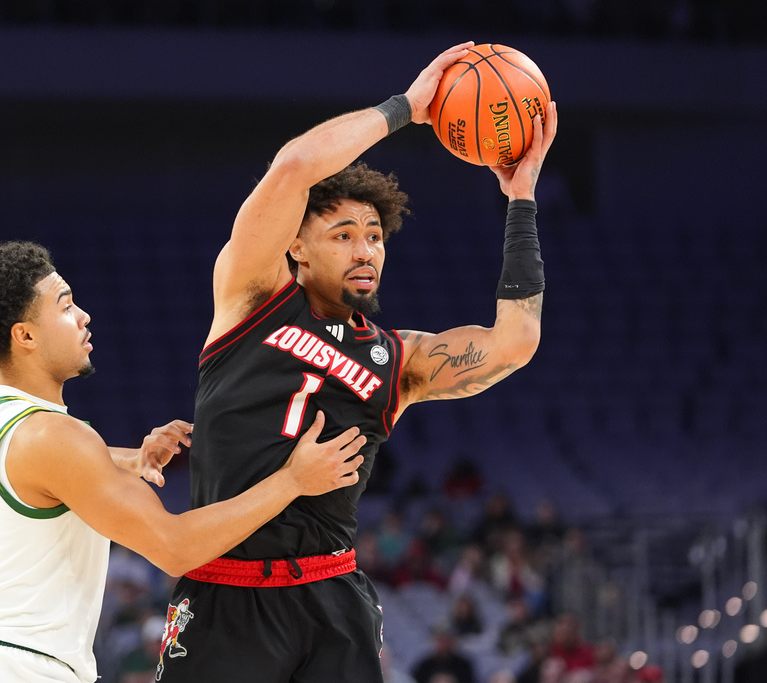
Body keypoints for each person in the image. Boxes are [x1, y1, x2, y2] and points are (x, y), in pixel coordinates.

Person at [162, 41, 557, 683]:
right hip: (226, 589)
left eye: (373, 236)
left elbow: (515, 341)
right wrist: (409, 108)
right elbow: (292, 169)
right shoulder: (252, 298)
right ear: (297, 247)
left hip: (331, 596)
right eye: (342, 235)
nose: (364, 249)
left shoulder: (398, 357)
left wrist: (520, 200)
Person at [0, 241, 367, 683]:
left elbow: (34, 472)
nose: (84, 316)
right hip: (19, 668)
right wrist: (292, 480)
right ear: (24, 335)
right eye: (65, 308)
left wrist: (132, 460)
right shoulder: (55, 436)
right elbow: (176, 550)